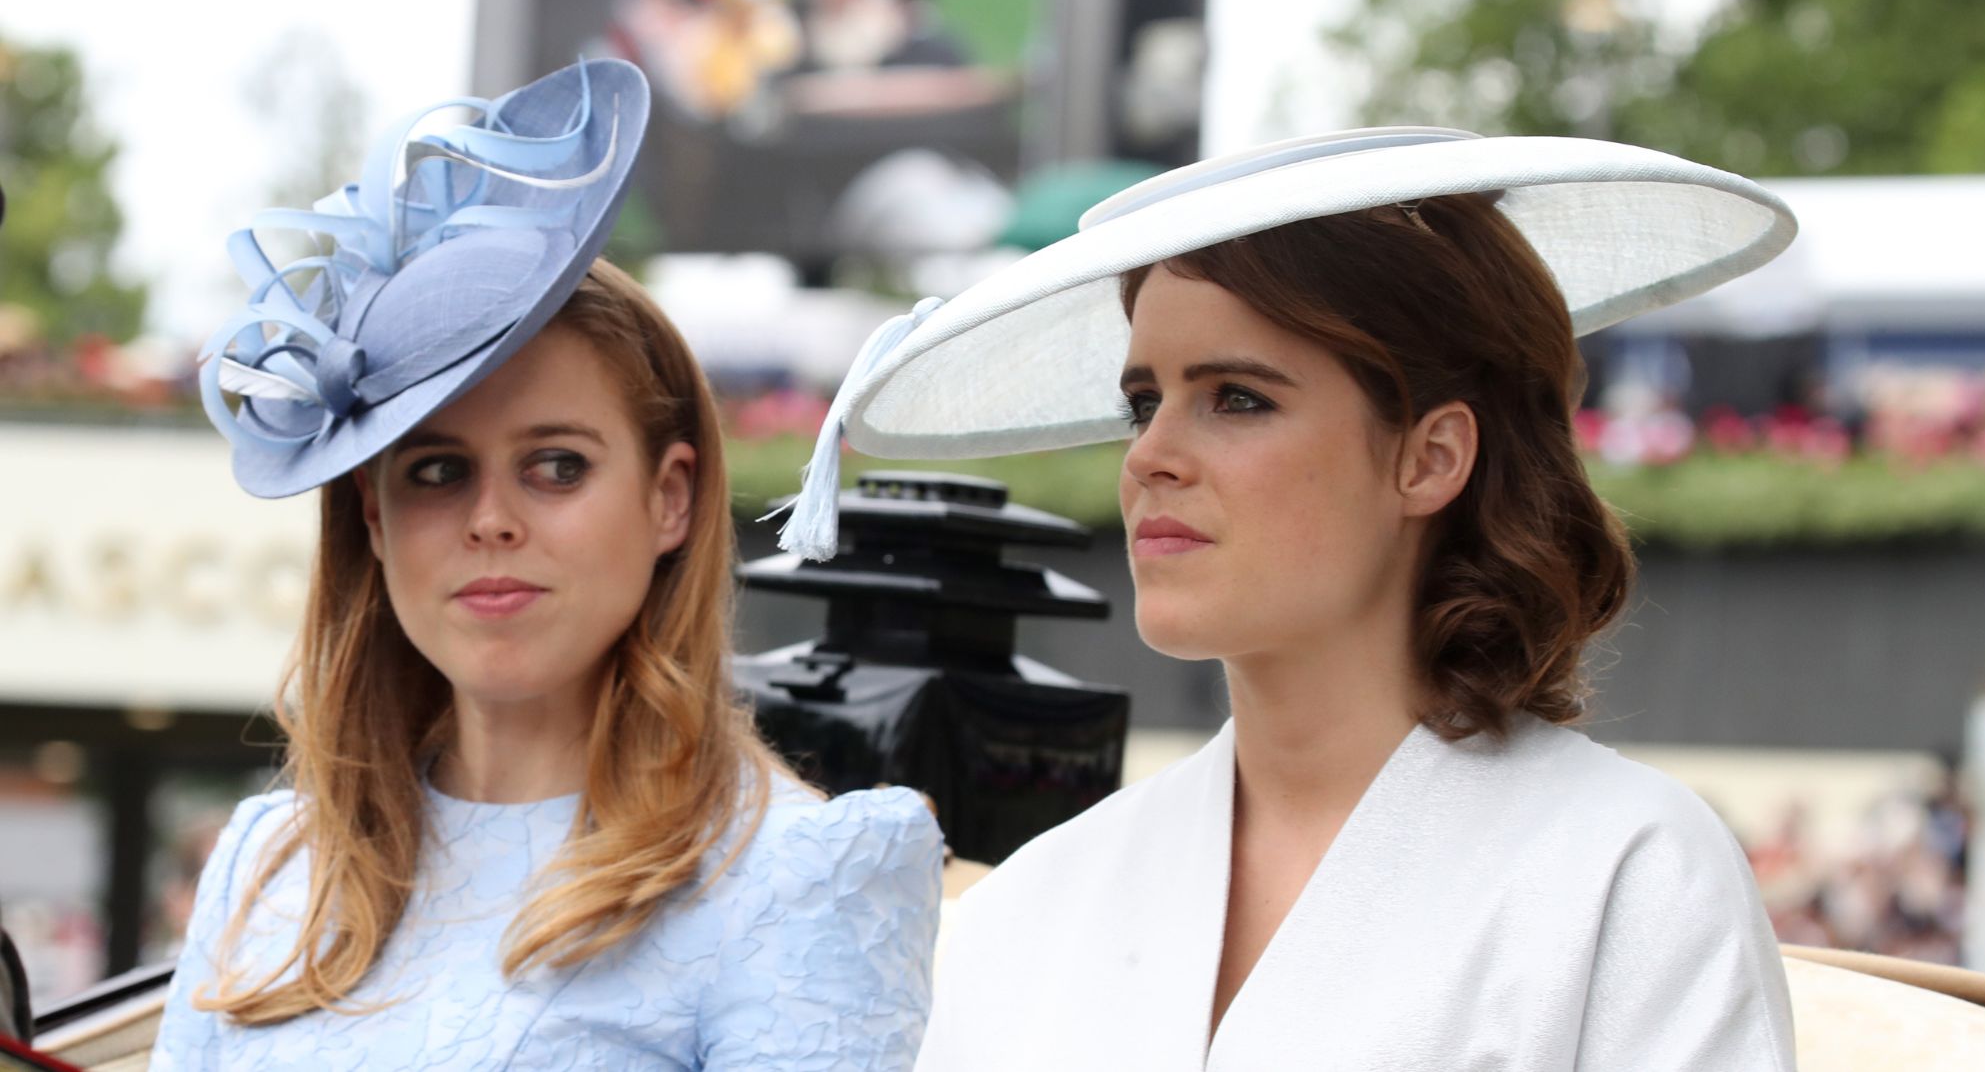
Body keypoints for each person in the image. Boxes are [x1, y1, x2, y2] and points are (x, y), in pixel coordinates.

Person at [777, 128, 1800, 1068]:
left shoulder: (1624, 873)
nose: (1149, 455)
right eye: (1143, 402)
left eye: (1236, 398)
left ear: (1429, 456)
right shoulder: (1036, 900)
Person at [151, 59, 941, 1070]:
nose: (491, 520)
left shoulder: (795, 876)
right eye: (437, 471)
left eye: (557, 466)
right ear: (374, 518)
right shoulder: (266, 870)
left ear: (670, 497)